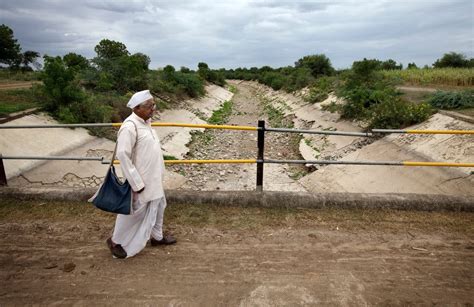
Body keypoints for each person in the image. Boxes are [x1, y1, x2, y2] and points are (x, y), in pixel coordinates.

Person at [106, 89, 176, 259]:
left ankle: (157, 237)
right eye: (150, 106)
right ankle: (115, 241)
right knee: (134, 212)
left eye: (154, 105)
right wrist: (136, 183)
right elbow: (123, 155)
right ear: (137, 108)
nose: (154, 109)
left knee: (159, 205)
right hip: (141, 181)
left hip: (154, 177)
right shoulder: (129, 127)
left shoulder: (146, 122)